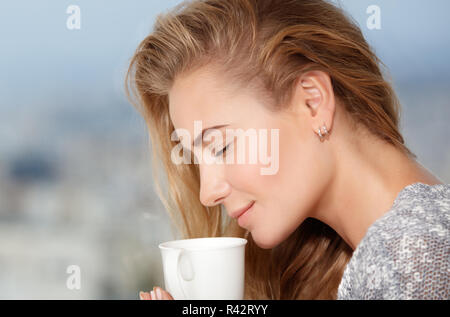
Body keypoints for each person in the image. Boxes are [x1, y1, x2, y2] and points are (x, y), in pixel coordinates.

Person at [126, 0, 449, 300]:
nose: (207, 193)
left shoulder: (413, 258)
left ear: (313, 101)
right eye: (196, 160)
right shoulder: (401, 248)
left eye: (221, 147)